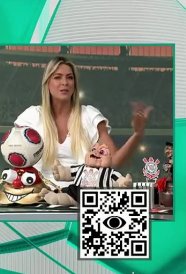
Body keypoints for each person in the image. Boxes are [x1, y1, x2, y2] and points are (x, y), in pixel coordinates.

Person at [14, 56, 153, 188]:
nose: (65, 82)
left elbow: (114, 162)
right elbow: (16, 157)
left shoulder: (90, 116)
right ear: (47, 83)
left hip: (80, 198)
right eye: (57, 77)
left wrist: (137, 134)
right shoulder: (31, 117)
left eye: (70, 78)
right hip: (40, 199)